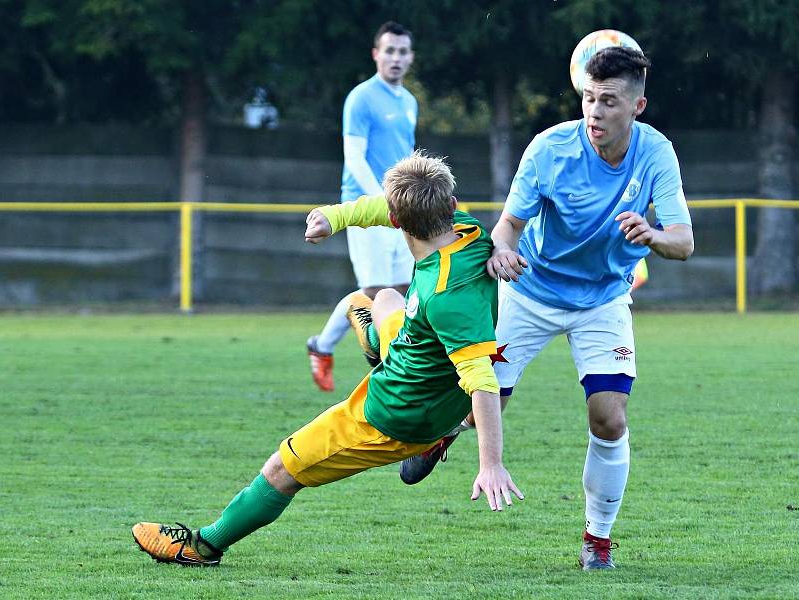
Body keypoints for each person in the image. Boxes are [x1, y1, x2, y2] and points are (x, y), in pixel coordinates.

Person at [132, 152, 523, 567]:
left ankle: (203, 546)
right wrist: (333, 217)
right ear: (450, 204)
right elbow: (380, 206)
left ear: (396, 222)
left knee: (282, 469)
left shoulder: (446, 296)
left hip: (395, 415)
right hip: (421, 362)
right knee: (382, 297)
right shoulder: (468, 229)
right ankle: (378, 342)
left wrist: (491, 464)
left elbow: (481, 379)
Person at [400, 47, 694, 570]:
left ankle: (597, 541)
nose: (595, 112)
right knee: (482, 404)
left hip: (602, 299)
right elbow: (507, 226)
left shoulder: (657, 154)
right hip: (531, 292)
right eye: (588, 98)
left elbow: (684, 242)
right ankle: (446, 431)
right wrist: (505, 250)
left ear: (637, 106)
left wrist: (652, 235)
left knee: (609, 419)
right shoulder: (550, 148)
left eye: (608, 101)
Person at [307, 21, 418, 392]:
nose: (396, 58)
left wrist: (410, 198)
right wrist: (382, 202)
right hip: (368, 208)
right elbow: (354, 158)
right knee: (373, 293)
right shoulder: (361, 98)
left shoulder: (409, 102)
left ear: (411, 57)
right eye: (389, 50)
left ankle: (328, 347)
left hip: (400, 210)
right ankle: (325, 348)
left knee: (401, 291)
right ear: (376, 54)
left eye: (402, 51)